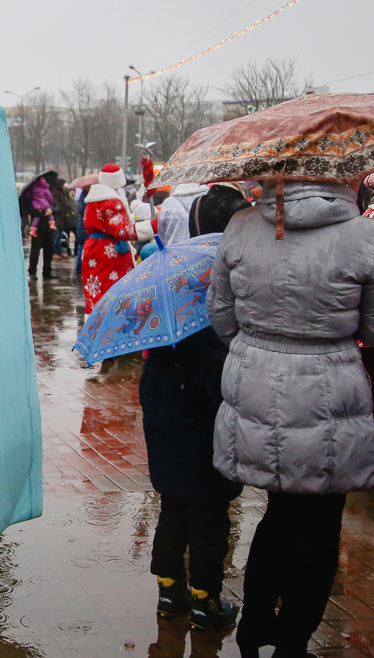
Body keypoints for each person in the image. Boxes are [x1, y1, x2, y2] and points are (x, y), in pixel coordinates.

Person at [208, 179, 374, 658]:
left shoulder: (239, 224)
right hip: (328, 388)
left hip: (253, 381)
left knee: (277, 514)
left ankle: (256, 625)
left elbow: (219, 311)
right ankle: (293, 650)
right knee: (320, 527)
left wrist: (257, 350)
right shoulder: (362, 236)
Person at [140, 186, 250, 631]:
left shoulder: (168, 285)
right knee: (209, 524)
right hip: (205, 442)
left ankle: (169, 591)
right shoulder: (219, 298)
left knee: (172, 513)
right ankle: (206, 600)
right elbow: (221, 386)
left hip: (165, 430)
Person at [81, 164, 153, 314]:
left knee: (96, 295)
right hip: (111, 253)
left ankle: (94, 329)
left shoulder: (93, 199)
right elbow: (121, 230)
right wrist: (152, 227)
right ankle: (115, 329)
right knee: (117, 294)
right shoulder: (112, 201)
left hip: (93, 249)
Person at [24, 172, 57, 280]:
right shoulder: (31, 197)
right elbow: (30, 209)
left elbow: (57, 207)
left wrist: (51, 210)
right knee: (35, 251)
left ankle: (47, 271)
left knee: (49, 251)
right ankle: (32, 271)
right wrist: (43, 212)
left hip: (49, 228)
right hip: (37, 229)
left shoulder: (49, 193)